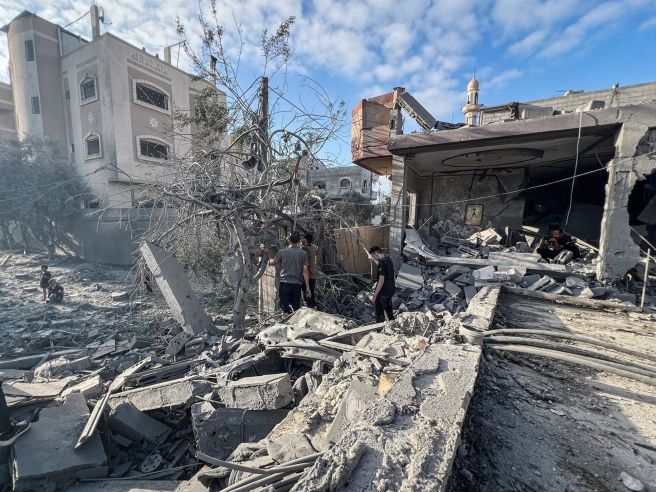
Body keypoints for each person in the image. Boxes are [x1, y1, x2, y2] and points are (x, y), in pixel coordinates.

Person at [265, 231, 310, 314]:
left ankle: (285, 320)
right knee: (295, 310)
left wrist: (268, 252)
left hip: (284, 283)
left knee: (284, 309)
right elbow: (305, 271)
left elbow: (272, 263)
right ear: (299, 241)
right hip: (297, 284)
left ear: (289, 240)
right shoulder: (303, 253)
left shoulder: (282, 252)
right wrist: (307, 287)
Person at [368, 245, 395, 322]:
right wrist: (373, 259)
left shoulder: (382, 262)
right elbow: (381, 267)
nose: (375, 257)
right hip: (390, 291)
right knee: (390, 313)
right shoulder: (388, 259)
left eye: (374, 256)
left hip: (383, 293)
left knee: (379, 316)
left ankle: (380, 328)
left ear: (376, 254)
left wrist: (374, 296)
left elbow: (381, 280)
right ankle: (393, 325)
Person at [301, 233, 319, 308]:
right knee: (312, 295)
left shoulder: (304, 248)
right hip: (313, 275)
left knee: (306, 295)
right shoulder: (313, 248)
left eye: (303, 239)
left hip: (308, 276)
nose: (301, 240)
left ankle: (310, 310)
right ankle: (315, 307)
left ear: (306, 241)